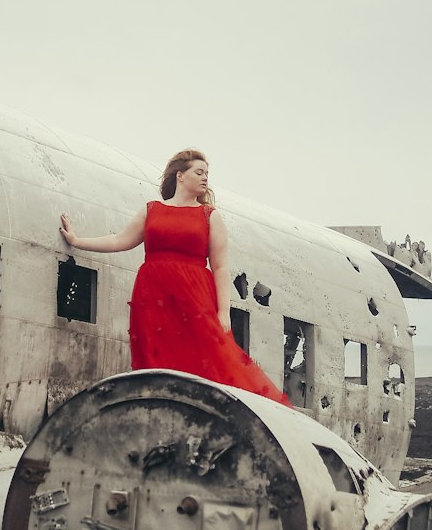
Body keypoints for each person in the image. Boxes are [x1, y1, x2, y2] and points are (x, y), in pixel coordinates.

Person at [59, 148, 288, 405]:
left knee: (210, 359)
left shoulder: (210, 215)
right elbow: (120, 240)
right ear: (180, 176)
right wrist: (77, 241)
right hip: (153, 298)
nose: (204, 178)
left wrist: (223, 311)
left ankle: (241, 411)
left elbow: (221, 267)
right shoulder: (152, 209)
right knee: (156, 360)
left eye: (207, 174)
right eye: (198, 172)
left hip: (195, 297)